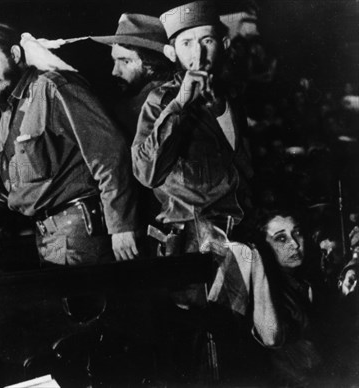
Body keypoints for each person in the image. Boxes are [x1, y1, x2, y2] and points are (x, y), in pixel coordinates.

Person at [0, 21, 139, 265]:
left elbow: (110, 152)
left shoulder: (53, 88)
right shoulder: (9, 112)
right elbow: (13, 192)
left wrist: (121, 226)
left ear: (14, 54)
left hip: (83, 235)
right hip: (49, 239)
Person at [131, 0, 254, 255]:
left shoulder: (236, 96)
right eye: (186, 43)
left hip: (239, 235)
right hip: (188, 241)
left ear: (225, 45)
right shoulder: (161, 101)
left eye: (207, 41)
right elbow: (145, 173)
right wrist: (180, 104)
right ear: (171, 52)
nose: (198, 54)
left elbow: (246, 166)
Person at [255, 210, 322, 386]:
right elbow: (272, 341)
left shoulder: (307, 283)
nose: (294, 244)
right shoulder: (270, 294)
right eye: (281, 239)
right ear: (265, 247)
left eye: (297, 233)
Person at [88, 13, 173, 140]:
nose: (115, 72)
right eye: (114, 61)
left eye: (126, 61)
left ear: (151, 66)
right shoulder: (131, 103)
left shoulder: (155, 104)